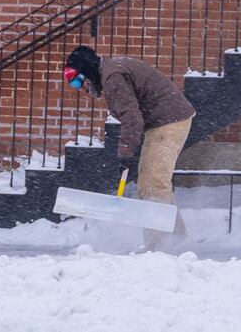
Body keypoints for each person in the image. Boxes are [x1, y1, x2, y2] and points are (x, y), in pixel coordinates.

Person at [63, 45, 196, 244]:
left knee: (153, 185)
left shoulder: (112, 78)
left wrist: (125, 153)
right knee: (152, 182)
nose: (80, 87)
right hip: (164, 120)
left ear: (88, 70)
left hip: (168, 122)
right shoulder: (112, 69)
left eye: (78, 80)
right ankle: (178, 236)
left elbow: (132, 119)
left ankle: (157, 247)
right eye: (73, 84)